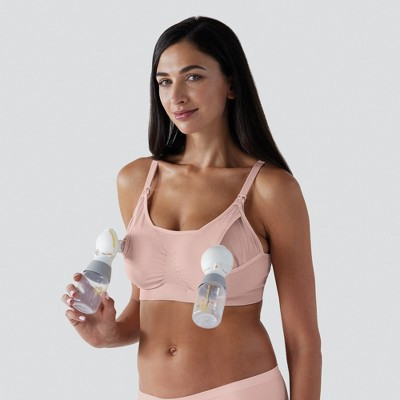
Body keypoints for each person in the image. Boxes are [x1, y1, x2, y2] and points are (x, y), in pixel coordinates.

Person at [62, 16, 322, 400]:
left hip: (242, 391)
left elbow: (303, 341)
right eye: (164, 81)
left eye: (193, 77)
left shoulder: (270, 190)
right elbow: (145, 304)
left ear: (231, 84)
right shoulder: (136, 181)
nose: (176, 96)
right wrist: (109, 333)